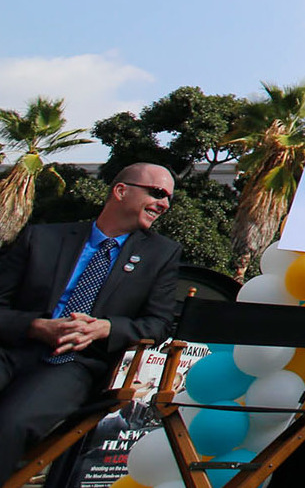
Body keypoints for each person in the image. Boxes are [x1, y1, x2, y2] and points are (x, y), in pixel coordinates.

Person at [0, 163, 183, 475]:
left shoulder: (161, 254)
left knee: (10, 424)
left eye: (168, 198)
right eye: (157, 193)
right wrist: (36, 326)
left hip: (76, 365)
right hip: (15, 347)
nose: (164, 204)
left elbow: (159, 323)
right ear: (121, 191)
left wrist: (106, 328)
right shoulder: (41, 238)